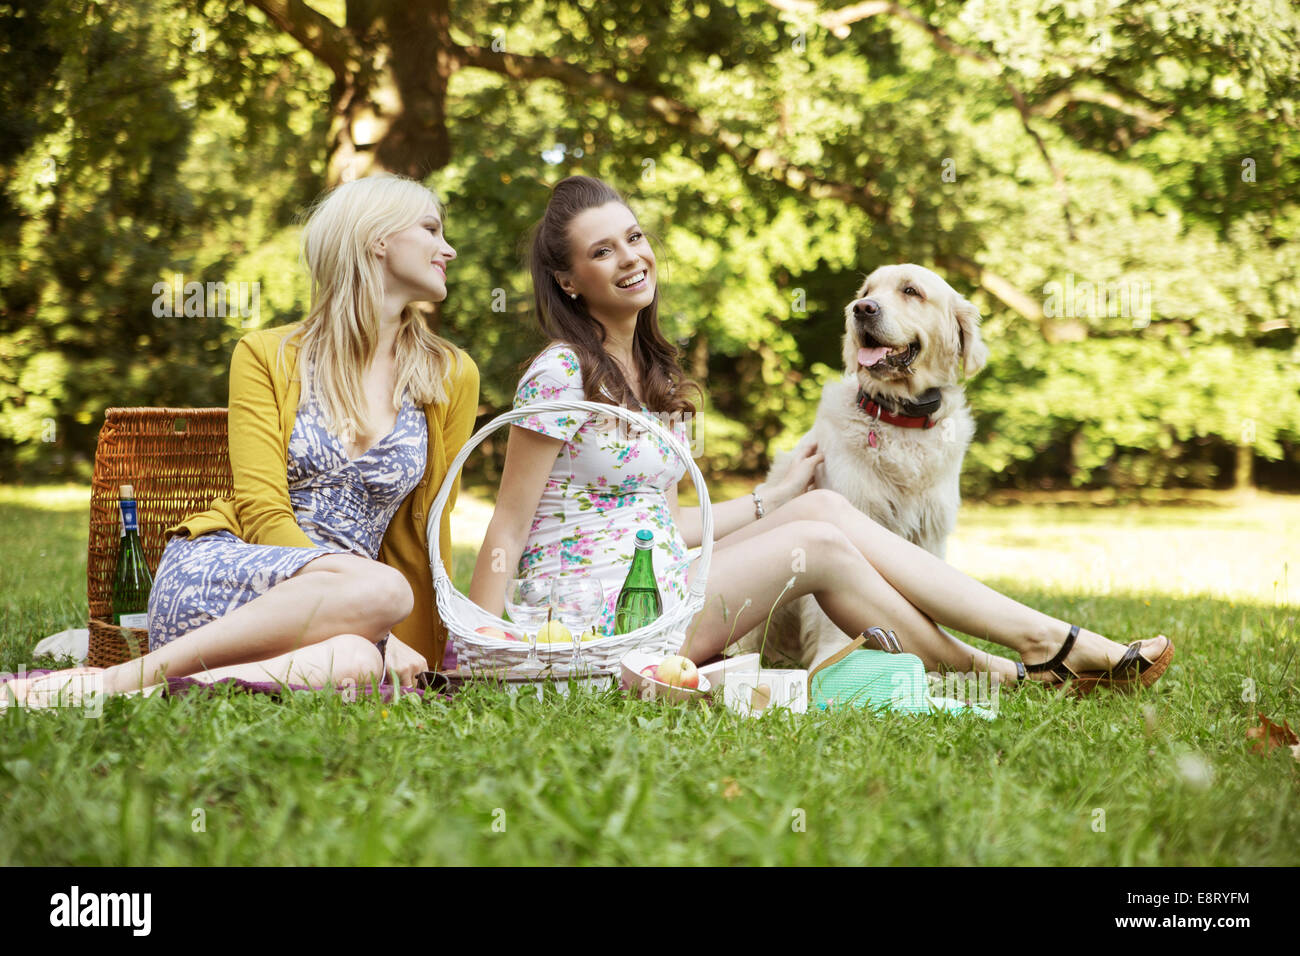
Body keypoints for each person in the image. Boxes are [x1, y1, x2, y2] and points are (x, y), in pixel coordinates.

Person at [469, 175, 1173, 694]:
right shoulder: (559, 373)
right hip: (601, 626)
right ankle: (1025, 654)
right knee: (823, 541)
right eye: (602, 251)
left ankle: (1032, 653)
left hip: (653, 586)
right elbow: (507, 525)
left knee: (826, 511)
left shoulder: (648, 372)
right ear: (567, 280)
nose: (630, 258)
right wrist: (473, 649)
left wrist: (774, 500)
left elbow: (649, 524)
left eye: (634, 237)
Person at [5, 174, 479, 707]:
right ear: (378, 238)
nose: (449, 248)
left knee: (358, 663)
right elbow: (261, 510)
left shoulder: (450, 374)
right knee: (384, 590)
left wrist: (413, 638)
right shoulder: (267, 354)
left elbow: (433, 526)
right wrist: (378, 614)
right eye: (432, 228)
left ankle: (151, 692)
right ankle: (115, 679)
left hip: (348, 611)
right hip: (234, 572)